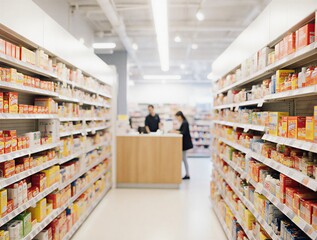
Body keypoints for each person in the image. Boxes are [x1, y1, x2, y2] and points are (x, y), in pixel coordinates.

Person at [171, 111, 193, 180]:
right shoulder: (184, 122)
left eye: (177, 117)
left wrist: (175, 131)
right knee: (184, 159)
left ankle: (187, 174)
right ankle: (186, 173)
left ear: (180, 116)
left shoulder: (185, 122)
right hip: (184, 144)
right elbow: (181, 130)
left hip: (185, 144)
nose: (177, 119)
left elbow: (183, 132)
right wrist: (176, 130)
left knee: (184, 159)